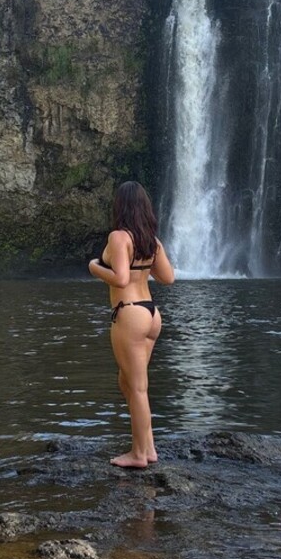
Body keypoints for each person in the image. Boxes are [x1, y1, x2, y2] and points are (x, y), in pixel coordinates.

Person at [88, 181, 175, 468]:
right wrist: (145, 269)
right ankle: (147, 447)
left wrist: (94, 268)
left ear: (120, 207)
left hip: (129, 313)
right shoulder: (152, 241)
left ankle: (139, 454)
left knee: (137, 388)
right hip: (151, 313)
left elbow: (121, 279)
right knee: (127, 382)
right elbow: (168, 278)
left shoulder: (118, 237)